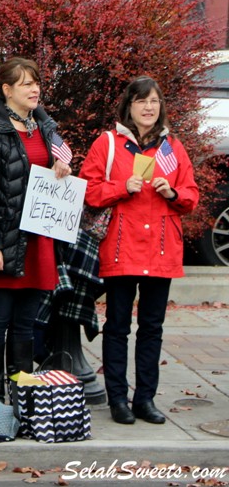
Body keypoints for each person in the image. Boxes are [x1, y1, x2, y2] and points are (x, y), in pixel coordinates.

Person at [79, 76, 198, 425]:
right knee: (116, 326)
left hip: (161, 250)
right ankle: (118, 398)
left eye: (155, 102)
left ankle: (145, 399)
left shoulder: (172, 147)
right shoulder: (108, 143)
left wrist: (172, 193)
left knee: (152, 328)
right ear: (128, 106)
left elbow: (190, 195)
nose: (149, 108)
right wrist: (121, 187)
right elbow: (89, 191)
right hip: (121, 248)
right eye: (142, 101)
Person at [0, 57, 72, 400]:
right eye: (26, 83)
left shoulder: (44, 127)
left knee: (26, 323)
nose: (35, 89)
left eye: (37, 82)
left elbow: (48, 170)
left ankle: (22, 398)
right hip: (2, 239)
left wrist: (62, 167)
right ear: (7, 90)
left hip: (37, 239)